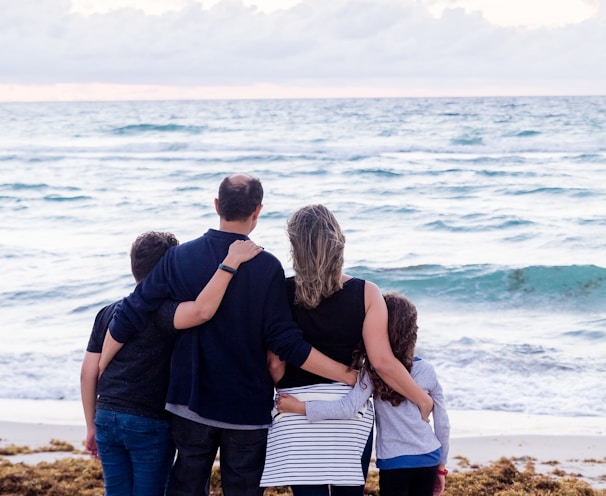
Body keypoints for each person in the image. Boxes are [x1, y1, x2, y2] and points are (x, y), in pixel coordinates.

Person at [105, 174, 357, 496]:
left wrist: (100, 368)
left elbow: (133, 311)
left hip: (190, 401)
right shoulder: (267, 267)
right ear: (257, 211)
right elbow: (285, 342)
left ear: (216, 205)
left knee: (187, 487)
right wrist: (347, 375)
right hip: (246, 408)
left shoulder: (179, 258)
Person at [260, 205, 434, 496]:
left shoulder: (279, 291)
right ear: (338, 242)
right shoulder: (367, 292)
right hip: (349, 414)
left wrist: (285, 385)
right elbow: (382, 362)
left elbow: (275, 363)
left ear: (295, 247)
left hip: (296, 413)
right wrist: (421, 399)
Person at [81, 231, 262, 496]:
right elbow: (203, 310)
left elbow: (88, 374)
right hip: (149, 421)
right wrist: (230, 263)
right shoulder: (165, 312)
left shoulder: (108, 313)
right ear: (170, 268)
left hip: (107, 416)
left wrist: (91, 425)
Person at [277, 293, 450, 496]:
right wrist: (442, 467)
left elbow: (347, 408)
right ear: (412, 331)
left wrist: (299, 407)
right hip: (429, 458)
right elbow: (443, 423)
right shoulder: (427, 370)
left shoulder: (372, 371)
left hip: (394, 463)